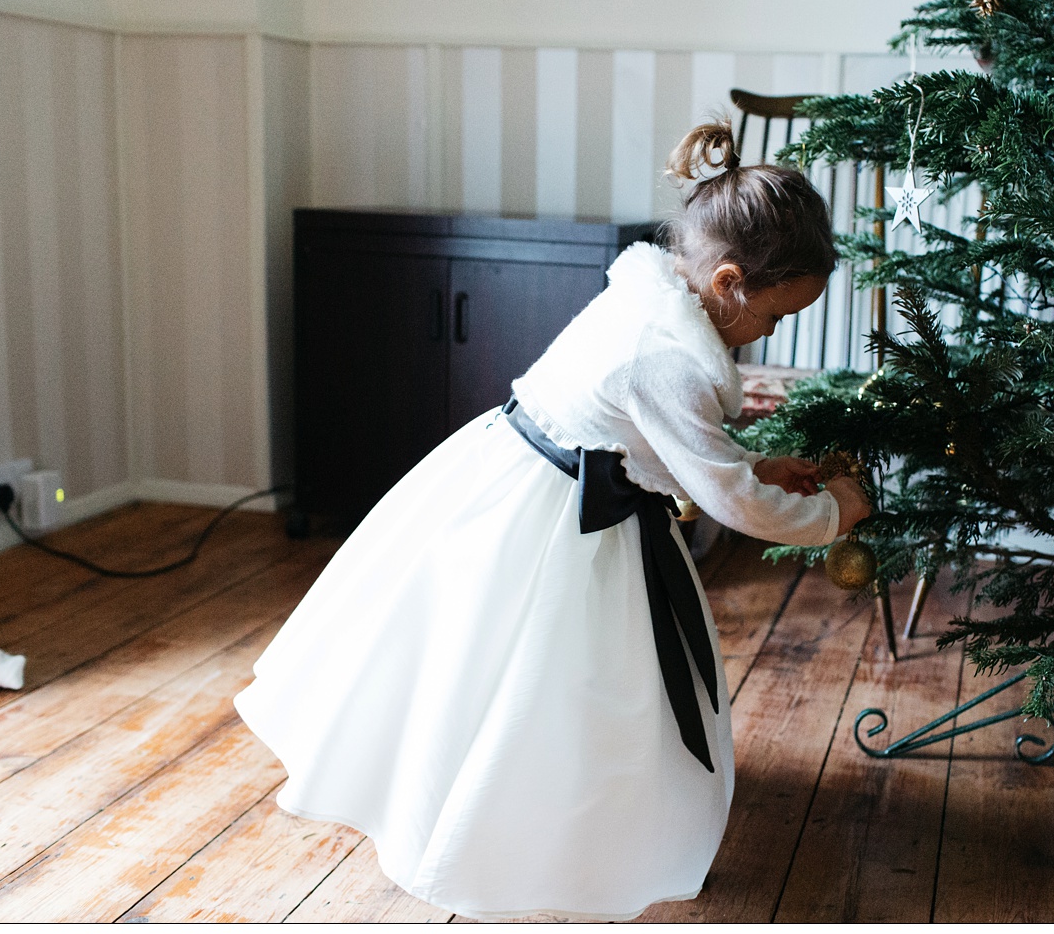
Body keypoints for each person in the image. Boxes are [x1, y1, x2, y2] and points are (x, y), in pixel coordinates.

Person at [234, 119, 873, 922]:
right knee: (550, 673)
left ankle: (561, 801)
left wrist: (761, 465)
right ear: (730, 283)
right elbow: (731, 500)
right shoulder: (670, 356)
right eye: (775, 316)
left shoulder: (655, 301)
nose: (772, 333)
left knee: (522, 668)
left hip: (525, 470)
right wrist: (834, 511)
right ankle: (521, 828)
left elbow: (658, 445)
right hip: (553, 514)